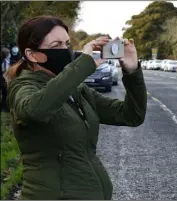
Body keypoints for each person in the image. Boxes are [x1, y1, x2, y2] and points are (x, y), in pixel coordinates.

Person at [6, 16, 147, 200]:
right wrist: (83, 64)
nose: (64, 50)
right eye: (56, 45)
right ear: (32, 54)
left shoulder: (77, 90)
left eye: (66, 44)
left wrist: (131, 70)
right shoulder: (23, 87)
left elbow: (131, 115)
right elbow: (35, 110)